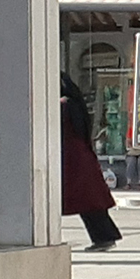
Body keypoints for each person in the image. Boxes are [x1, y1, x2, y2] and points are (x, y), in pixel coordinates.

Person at [58, 73, 121, 250]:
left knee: (84, 201)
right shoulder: (76, 103)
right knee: (91, 203)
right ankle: (105, 237)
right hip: (81, 155)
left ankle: (104, 237)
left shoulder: (63, 105)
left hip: (71, 159)